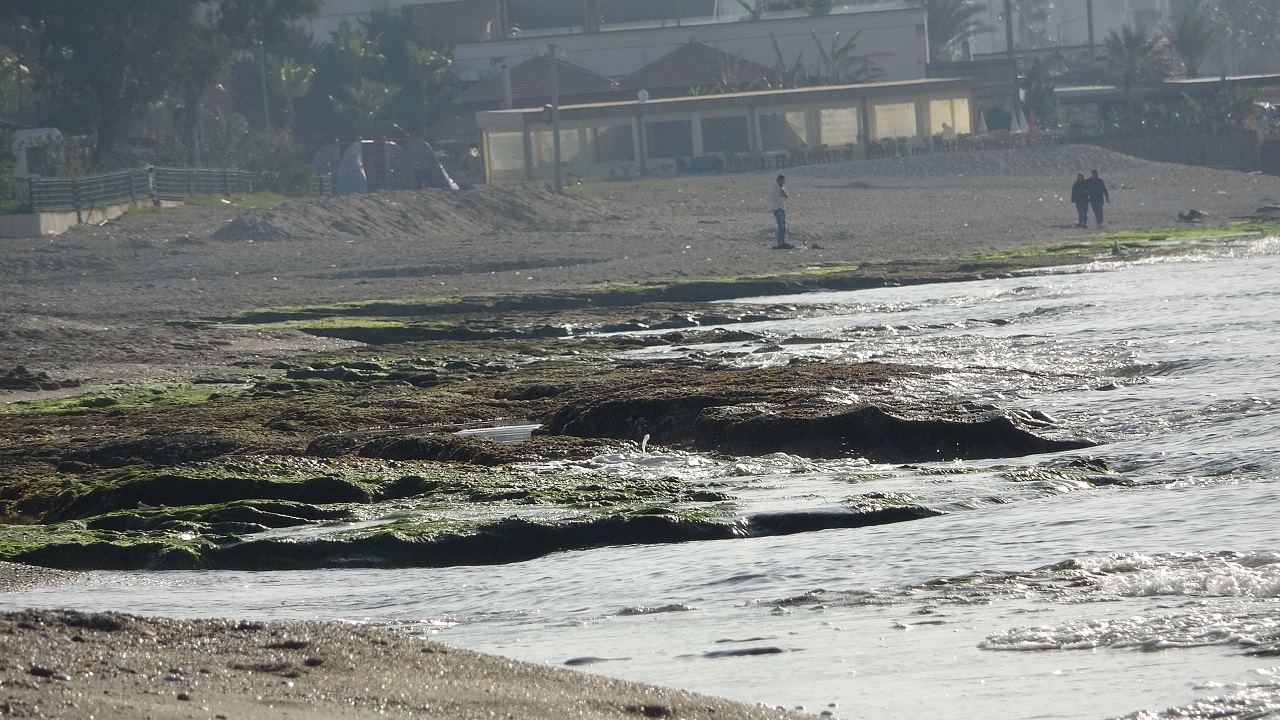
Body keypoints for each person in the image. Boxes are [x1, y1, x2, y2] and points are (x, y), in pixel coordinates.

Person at [770, 174, 793, 249]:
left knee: (783, 226)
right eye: (782, 181)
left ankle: (783, 241)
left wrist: (784, 195)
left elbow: (783, 199)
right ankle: (780, 242)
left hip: (782, 208)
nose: (783, 183)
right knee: (780, 225)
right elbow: (777, 199)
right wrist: (782, 194)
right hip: (777, 208)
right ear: (779, 181)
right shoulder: (775, 189)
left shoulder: (781, 188)